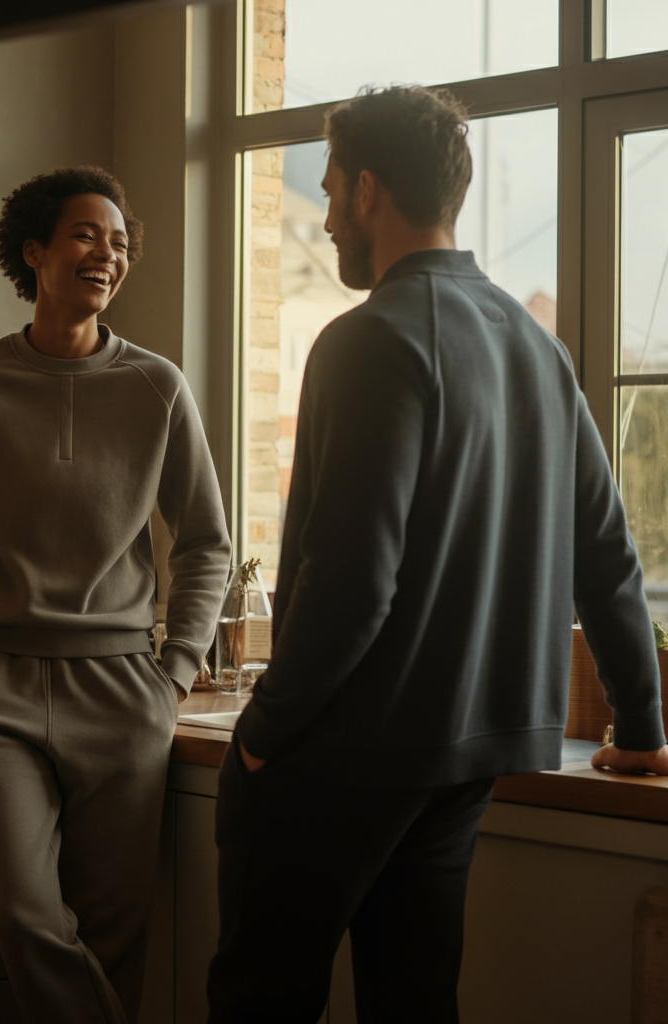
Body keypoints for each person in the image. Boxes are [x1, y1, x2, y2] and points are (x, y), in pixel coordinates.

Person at [206, 86, 668, 1024]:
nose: (327, 215)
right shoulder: (541, 350)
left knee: (258, 1002)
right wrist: (642, 726)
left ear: (370, 191)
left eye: (333, 190)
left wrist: (261, 732)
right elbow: (607, 553)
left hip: (343, 747)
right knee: (413, 1004)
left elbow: (351, 583)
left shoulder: (367, 339)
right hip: (467, 754)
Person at [0, 165, 231, 1024]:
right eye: (85, 235)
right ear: (34, 252)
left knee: (113, 935)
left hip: (122, 693)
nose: (105, 255)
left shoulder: (159, 387)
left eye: (118, 243)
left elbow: (205, 543)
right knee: (28, 919)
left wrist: (176, 672)